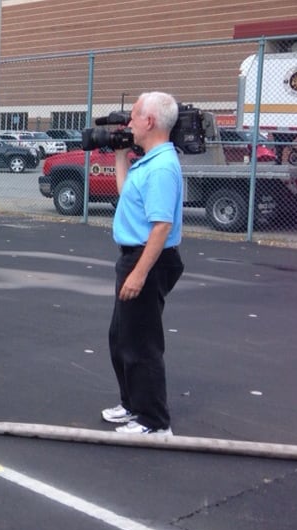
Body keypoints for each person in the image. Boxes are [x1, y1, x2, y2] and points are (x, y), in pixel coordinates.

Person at [101, 91, 185, 435]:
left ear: (149, 122)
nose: (129, 122)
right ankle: (133, 404)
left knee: (142, 341)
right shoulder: (148, 161)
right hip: (135, 257)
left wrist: (138, 273)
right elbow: (127, 197)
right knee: (121, 336)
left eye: (134, 116)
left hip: (148, 259)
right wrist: (121, 155)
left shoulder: (163, 167)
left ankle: (154, 421)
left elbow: (161, 226)